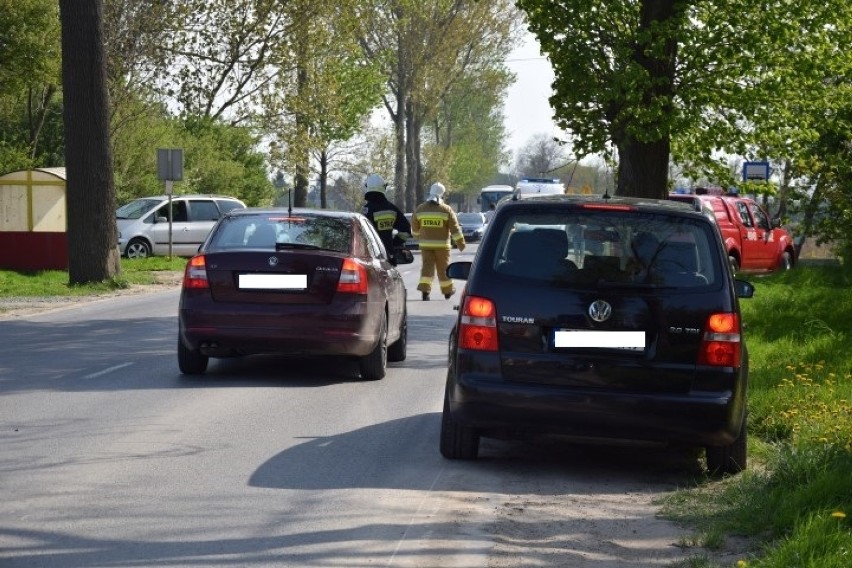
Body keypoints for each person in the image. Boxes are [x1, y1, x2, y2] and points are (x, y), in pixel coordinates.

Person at [411, 182, 465, 300]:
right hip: (442, 247)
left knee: (427, 268)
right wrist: (461, 243)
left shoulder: (420, 209)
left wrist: (418, 237)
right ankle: (447, 291)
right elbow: (455, 228)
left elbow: (414, 228)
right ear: (442, 194)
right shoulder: (446, 210)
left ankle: (425, 292)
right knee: (443, 268)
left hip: (425, 246)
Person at [360, 173, 411, 265]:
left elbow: (360, 236)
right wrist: (393, 243)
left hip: (370, 258)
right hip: (388, 256)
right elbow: (406, 232)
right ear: (384, 188)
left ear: (367, 187)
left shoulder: (366, 211)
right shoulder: (392, 209)